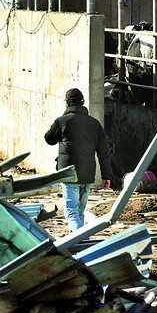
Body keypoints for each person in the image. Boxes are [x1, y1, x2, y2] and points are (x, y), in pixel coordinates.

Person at [44, 87, 113, 230]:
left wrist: (64, 118)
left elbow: (49, 139)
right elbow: (103, 152)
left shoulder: (62, 121)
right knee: (79, 213)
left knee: (71, 213)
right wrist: (106, 176)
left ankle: (79, 241)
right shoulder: (94, 124)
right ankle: (76, 244)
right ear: (83, 102)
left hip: (70, 175)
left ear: (67, 103)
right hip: (87, 175)